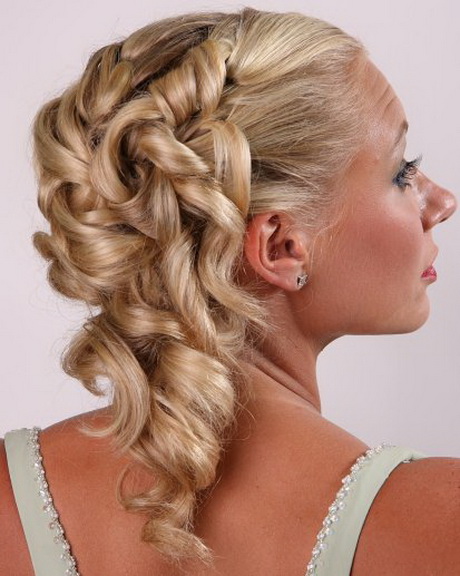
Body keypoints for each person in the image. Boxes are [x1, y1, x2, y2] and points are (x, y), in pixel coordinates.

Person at [0, 7, 458, 575]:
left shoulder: (9, 502)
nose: (441, 203)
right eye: (402, 172)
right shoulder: (437, 521)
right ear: (282, 248)